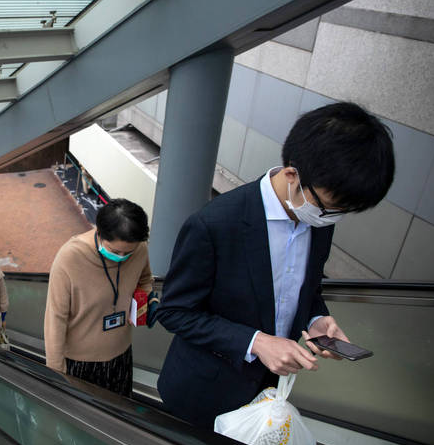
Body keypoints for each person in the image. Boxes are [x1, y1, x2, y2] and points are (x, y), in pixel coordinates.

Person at [154, 102, 395, 428]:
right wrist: (256, 342)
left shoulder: (319, 216)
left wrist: (316, 317)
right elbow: (175, 311)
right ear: (292, 175)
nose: (333, 218)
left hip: (266, 391)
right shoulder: (214, 224)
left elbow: (305, 285)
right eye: (331, 207)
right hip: (202, 392)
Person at [44, 199, 153, 396]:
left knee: (120, 414)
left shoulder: (140, 249)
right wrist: (55, 371)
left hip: (121, 353)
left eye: (128, 252)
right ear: (99, 234)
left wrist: (142, 303)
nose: (122, 256)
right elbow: (55, 318)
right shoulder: (70, 257)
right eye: (115, 251)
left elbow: (145, 280)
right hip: (80, 361)